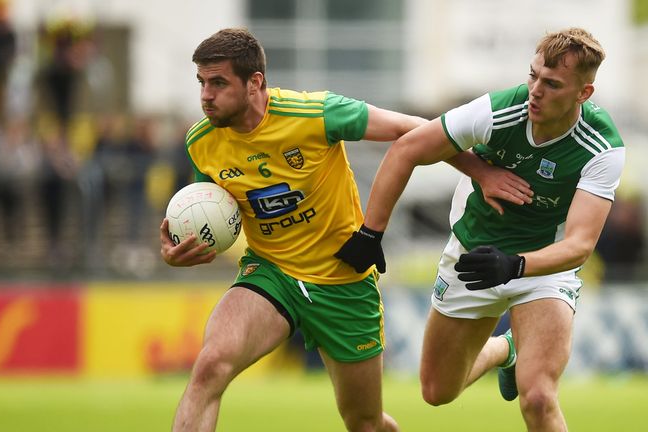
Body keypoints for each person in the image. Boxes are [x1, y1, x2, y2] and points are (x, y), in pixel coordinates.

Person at [159, 28, 530, 432]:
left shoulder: (314, 114)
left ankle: (505, 351)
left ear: (255, 83)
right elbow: (211, 216)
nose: (205, 96)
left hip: (344, 281)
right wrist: (184, 248)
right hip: (271, 275)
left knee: (364, 423)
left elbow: (414, 130)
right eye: (201, 83)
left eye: (218, 83)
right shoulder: (201, 143)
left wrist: (481, 173)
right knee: (210, 366)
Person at [336, 28, 625, 431]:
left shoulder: (602, 147)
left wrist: (516, 266)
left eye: (552, 84)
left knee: (539, 398)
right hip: (472, 255)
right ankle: (505, 351)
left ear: (583, 94)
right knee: (437, 391)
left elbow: (579, 245)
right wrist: (372, 232)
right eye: (533, 75)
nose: (535, 91)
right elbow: (408, 149)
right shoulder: (499, 110)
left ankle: (520, 358)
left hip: (542, 269)